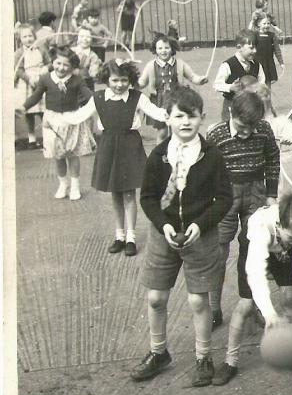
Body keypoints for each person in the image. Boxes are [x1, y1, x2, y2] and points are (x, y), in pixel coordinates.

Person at [131, 87, 234, 385]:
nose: (185, 122)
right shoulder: (159, 155)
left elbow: (224, 199)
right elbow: (148, 197)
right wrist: (162, 223)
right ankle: (158, 351)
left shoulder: (211, 156)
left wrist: (201, 225)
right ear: (167, 118)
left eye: (192, 116)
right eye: (179, 116)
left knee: (198, 302)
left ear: (202, 118)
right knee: (155, 297)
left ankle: (204, 357)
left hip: (199, 236)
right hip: (164, 233)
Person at [212, 192, 292, 385]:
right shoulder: (260, 230)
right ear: (279, 225)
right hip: (256, 247)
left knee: (289, 297)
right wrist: (270, 314)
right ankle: (230, 361)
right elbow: (256, 276)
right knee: (245, 306)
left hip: (281, 247)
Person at [60, 58, 171, 254]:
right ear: (106, 79)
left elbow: (156, 112)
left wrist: (172, 114)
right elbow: (79, 115)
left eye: (124, 80)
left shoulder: (137, 97)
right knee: (115, 193)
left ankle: (131, 238)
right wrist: (58, 117)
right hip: (109, 146)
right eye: (114, 81)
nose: (119, 85)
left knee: (129, 193)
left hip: (130, 146)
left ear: (130, 80)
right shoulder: (99, 98)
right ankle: (119, 235)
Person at [206, 91, 281, 330]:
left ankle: (254, 304)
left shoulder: (264, 129)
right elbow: (206, 168)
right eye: (241, 126)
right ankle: (213, 307)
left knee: (254, 253)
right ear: (230, 113)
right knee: (218, 253)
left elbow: (272, 159)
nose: (247, 132)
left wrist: (271, 193)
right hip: (225, 195)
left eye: (252, 126)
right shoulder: (216, 133)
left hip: (256, 192)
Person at [19, 46, 95, 198]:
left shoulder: (77, 80)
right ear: (53, 62)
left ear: (72, 67)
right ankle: (63, 184)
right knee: (58, 156)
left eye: (66, 65)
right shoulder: (46, 78)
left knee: (73, 155)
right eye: (58, 63)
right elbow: (36, 95)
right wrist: (24, 106)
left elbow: (87, 93)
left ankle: (75, 186)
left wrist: (100, 100)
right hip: (53, 121)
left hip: (72, 120)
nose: (61, 67)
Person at [139, 33, 209, 142]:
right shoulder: (151, 65)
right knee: (162, 132)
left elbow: (192, 77)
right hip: (159, 101)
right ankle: (161, 154)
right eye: (160, 48)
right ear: (155, 49)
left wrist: (200, 80)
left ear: (172, 48)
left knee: (176, 130)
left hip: (176, 99)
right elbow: (142, 82)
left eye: (167, 48)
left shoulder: (180, 64)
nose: (163, 51)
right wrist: (134, 83)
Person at [214, 32, 264, 123]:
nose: (255, 51)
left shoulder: (257, 65)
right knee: (230, 129)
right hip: (231, 106)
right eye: (251, 48)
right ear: (239, 47)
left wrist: (258, 90)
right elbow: (217, 84)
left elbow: (262, 82)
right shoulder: (228, 65)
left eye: (256, 47)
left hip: (251, 105)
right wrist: (230, 87)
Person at [14, 24, 50, 150]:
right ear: (20, 39)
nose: (28, 39)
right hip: (28, 83)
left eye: (30, 36)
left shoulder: (41, 49)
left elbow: (49, 63)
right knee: (29, 112)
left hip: (41, 80)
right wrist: (29, 79)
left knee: (44, 110)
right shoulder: (19, 53)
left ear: (34, 36)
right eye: (25, 37)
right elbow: (18, 69)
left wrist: (46, 69)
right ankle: (32, 139)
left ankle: (47, 138)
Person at [254, 12, 285, 90]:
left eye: (268, 23)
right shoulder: (255, 36)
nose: (266, 25)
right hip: (257, 64)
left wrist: (281, 63)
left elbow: (277, 50)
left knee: (267, 87)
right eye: (264, 23)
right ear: (258, 24)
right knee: (257, 86)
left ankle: (267, 101)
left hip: (268, 64)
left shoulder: (272, 36)